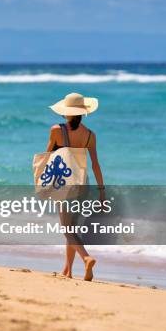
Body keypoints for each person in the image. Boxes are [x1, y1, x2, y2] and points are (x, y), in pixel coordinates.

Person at [45, 93, 105, 281]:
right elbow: (95, 164)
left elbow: (47, 158)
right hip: (82, 185)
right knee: (72, 228)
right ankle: (67, 270)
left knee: (67, 230)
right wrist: (102, 191)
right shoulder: (89, 135)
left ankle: (86, 258)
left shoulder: (56, 130)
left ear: (66, 112)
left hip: (63, 184)